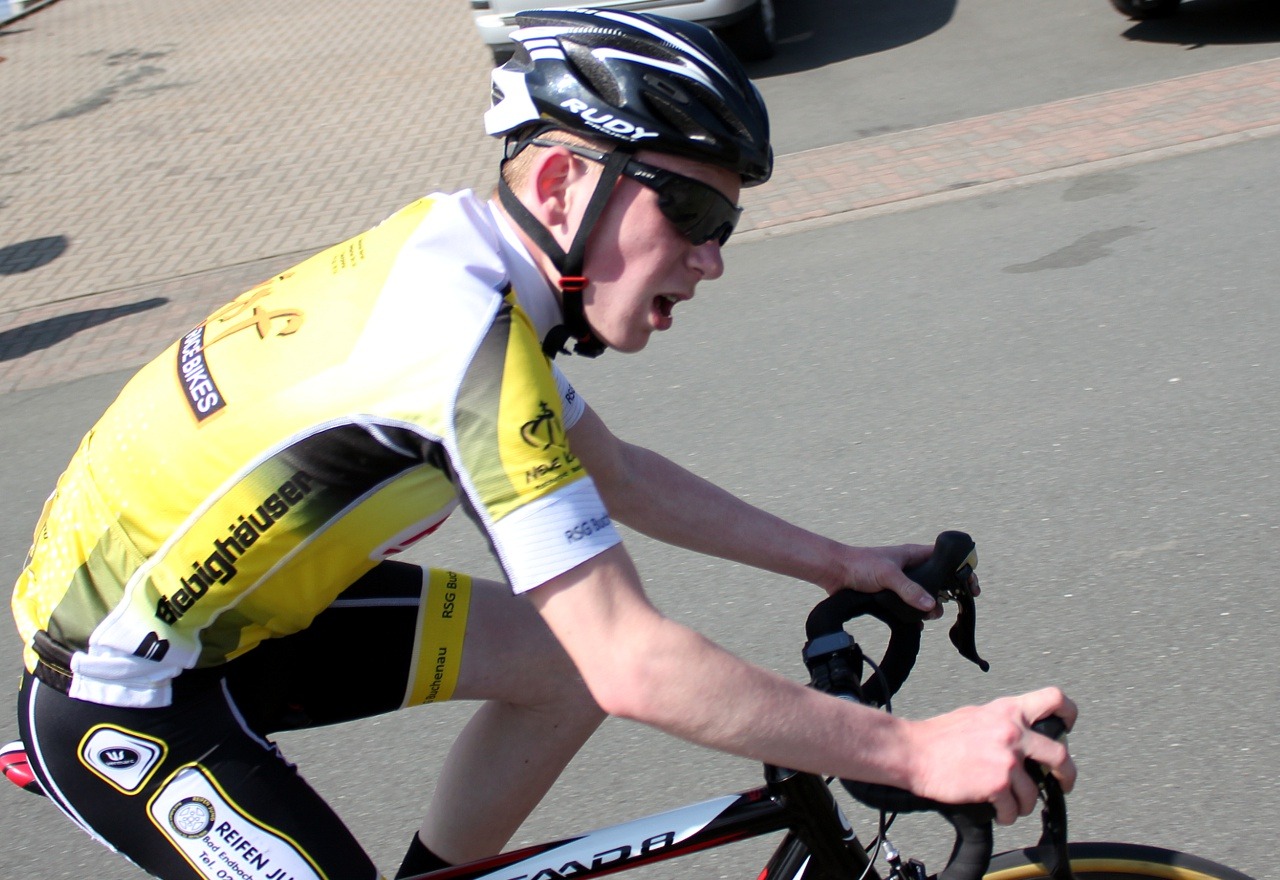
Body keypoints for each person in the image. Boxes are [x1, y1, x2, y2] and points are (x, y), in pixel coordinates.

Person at [10, 9, 1076, 880]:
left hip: (239, 616)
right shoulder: (453, 344)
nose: (709, 258)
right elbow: (634, 664)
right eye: (693, 209)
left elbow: (616, 475)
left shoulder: (463, 265)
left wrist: (838, 561)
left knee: (555, 666)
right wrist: (911, 749)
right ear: (563, 184)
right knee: (595, 657)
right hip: (128, 703)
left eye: (726, 224)